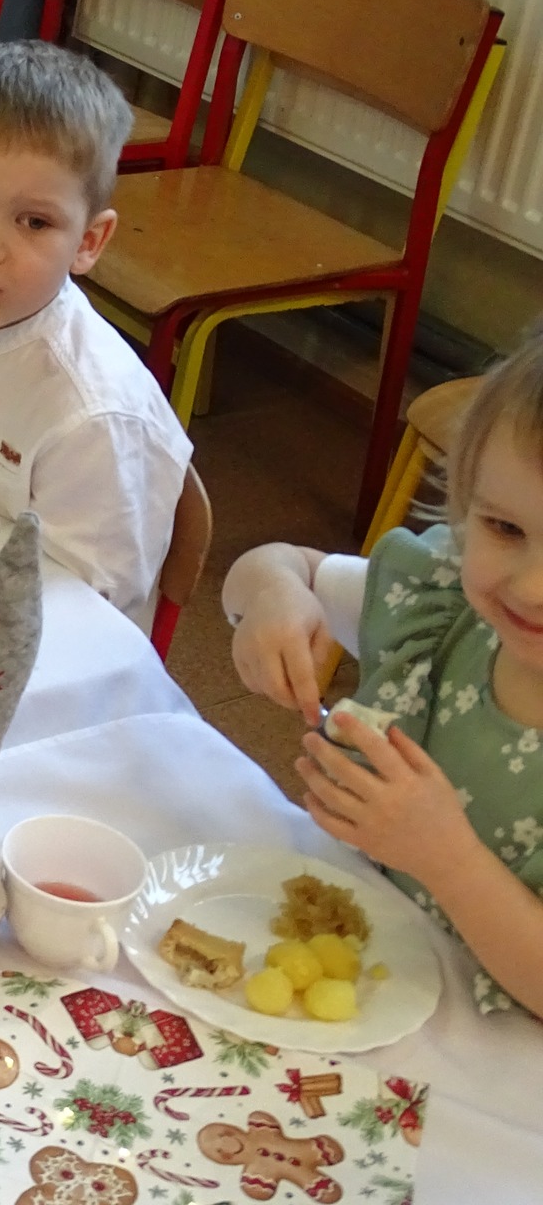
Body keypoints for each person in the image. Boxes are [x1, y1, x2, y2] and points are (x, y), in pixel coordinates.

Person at [222, 334, 543, 1018]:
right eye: (505, 529)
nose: (531, 587)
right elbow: (281, 564)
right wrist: (273, 595)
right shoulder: (448, 606)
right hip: (365, 981)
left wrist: (449, 861)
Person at [0, 40, 190, 620]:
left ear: (88, 242)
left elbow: (83, 612)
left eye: (35, 222)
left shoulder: (90, 418)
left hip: (28, 643)